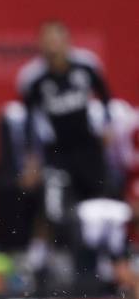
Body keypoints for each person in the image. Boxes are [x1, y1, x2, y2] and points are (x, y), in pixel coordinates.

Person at [18, 21, 113, 205]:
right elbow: (29, 120)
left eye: (56, 39)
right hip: (56, 151)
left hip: (89, 146)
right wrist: (31, 157)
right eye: (47, 41)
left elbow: (106, 97)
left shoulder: (86, 65)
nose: (52, 46)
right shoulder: (33, 78)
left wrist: (107, 126)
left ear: (67, 41)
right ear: (40, 45)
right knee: (57, 209)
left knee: (98, 202)